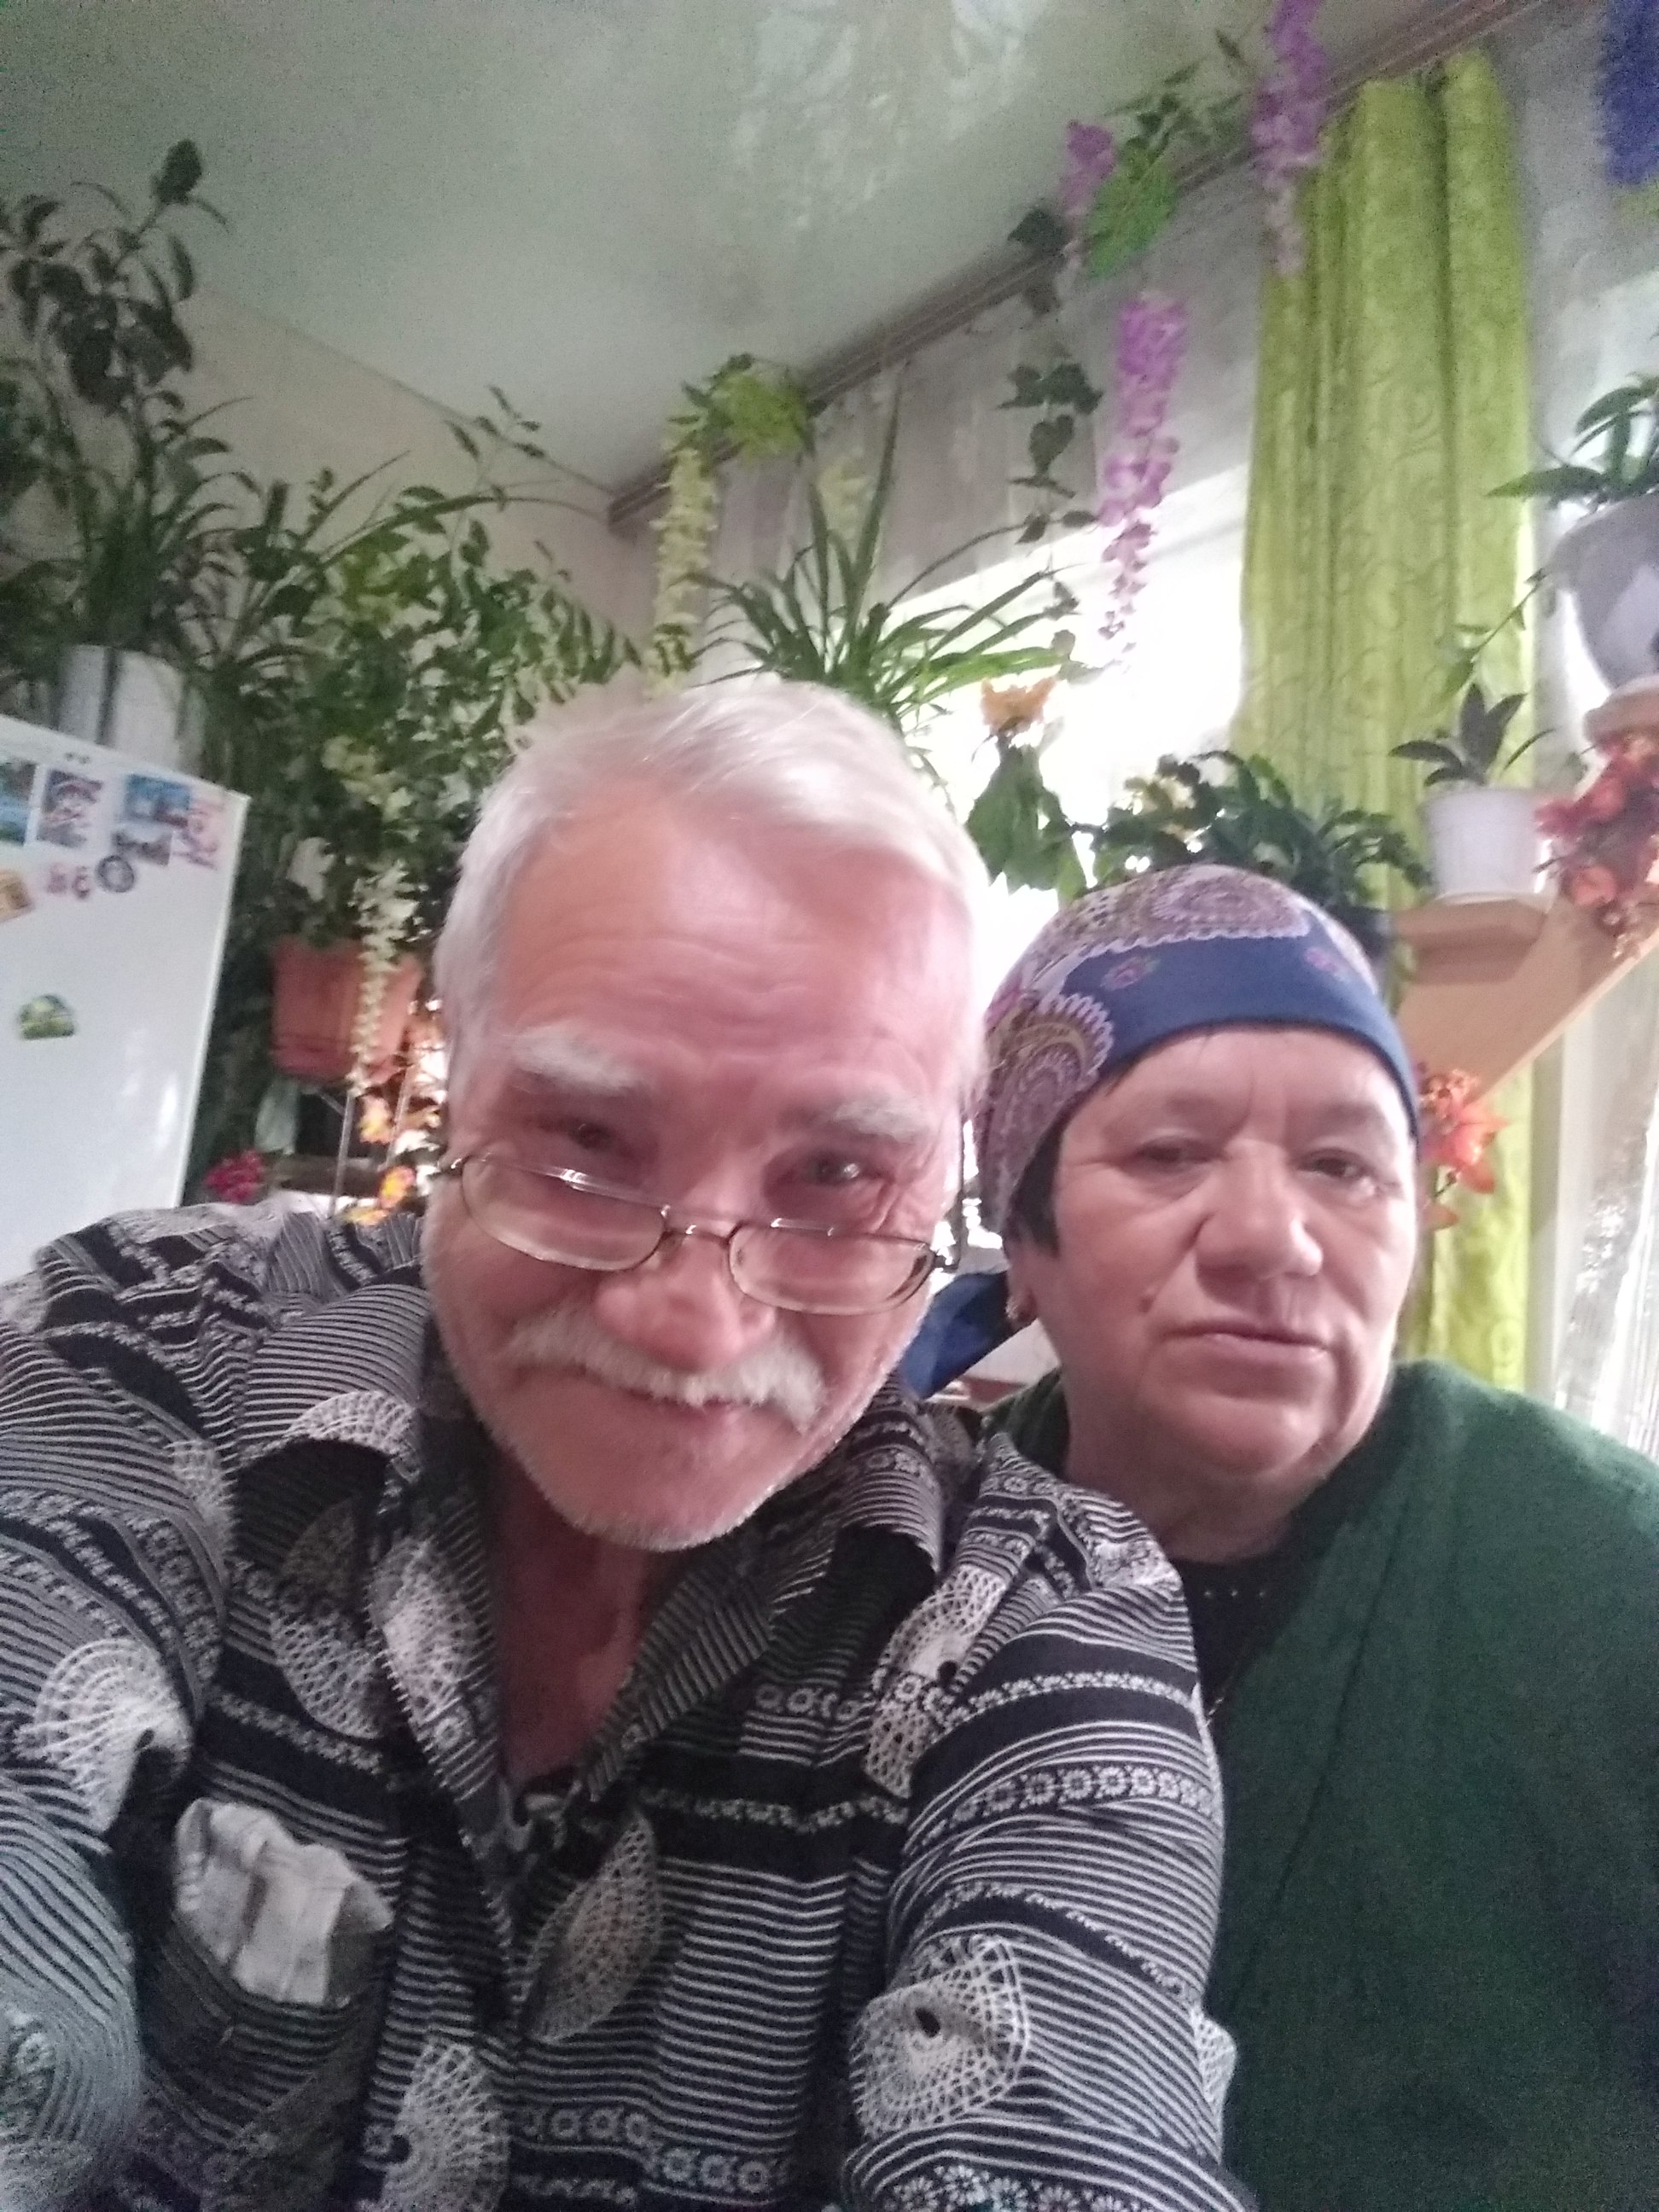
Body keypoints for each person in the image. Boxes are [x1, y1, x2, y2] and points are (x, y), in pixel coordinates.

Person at [0, 682, 1247, 2212]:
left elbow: (1071, 2127)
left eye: (836, 1177)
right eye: (586, 1143)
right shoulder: (144, 1347)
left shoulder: (1037, 1614)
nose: (695, 1328)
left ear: (943, 1190)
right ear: (454, 1079)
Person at [953, 860, 1659, 2212]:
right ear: (1023, 1241)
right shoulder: (903, 1584)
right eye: (1169, 1154)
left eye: (1344, 1166)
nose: (1273, 1239)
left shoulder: (1603, 1582)